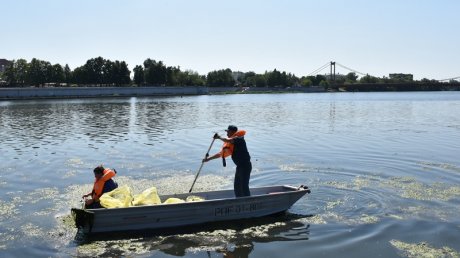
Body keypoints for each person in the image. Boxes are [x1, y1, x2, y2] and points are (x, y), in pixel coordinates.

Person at [203, 125, 252, 197]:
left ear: (232, 132)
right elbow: (220, 154)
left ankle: (249, 202)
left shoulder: (239, 139)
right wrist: (208, 159)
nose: (227, 133)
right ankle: (239, 201)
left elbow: (228, 140)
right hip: (239, 167)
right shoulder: (231, 143)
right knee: (237, 186)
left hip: (245, 166)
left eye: (228, 131)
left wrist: (219, 137)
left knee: (244, 186)